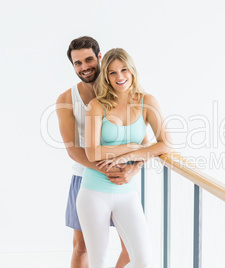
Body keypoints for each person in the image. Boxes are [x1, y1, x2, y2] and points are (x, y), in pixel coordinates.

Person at [76, 48, 172, 267]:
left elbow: (165, 143)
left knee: (144, 261)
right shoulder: (97, 106)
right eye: (112, 73)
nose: (119, 77)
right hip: (94, 193)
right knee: (98, 261)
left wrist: (135, 163)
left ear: (132, 71)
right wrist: (130, 146)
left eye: (124, 70)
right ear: (106, 78)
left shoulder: (147, 101)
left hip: (127, 192)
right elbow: (92, 152)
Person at [57, 36, 143, 268]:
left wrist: (133, 170)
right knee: (82, 247)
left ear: (99, 57)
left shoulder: (122, 89)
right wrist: (106, 170)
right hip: (85, 177)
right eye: (77, 63)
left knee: (131, 249)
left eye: (88, 60)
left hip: (124, 179)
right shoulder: (66, 99)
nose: (84, 67)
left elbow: (142, 141)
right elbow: (73, 150)